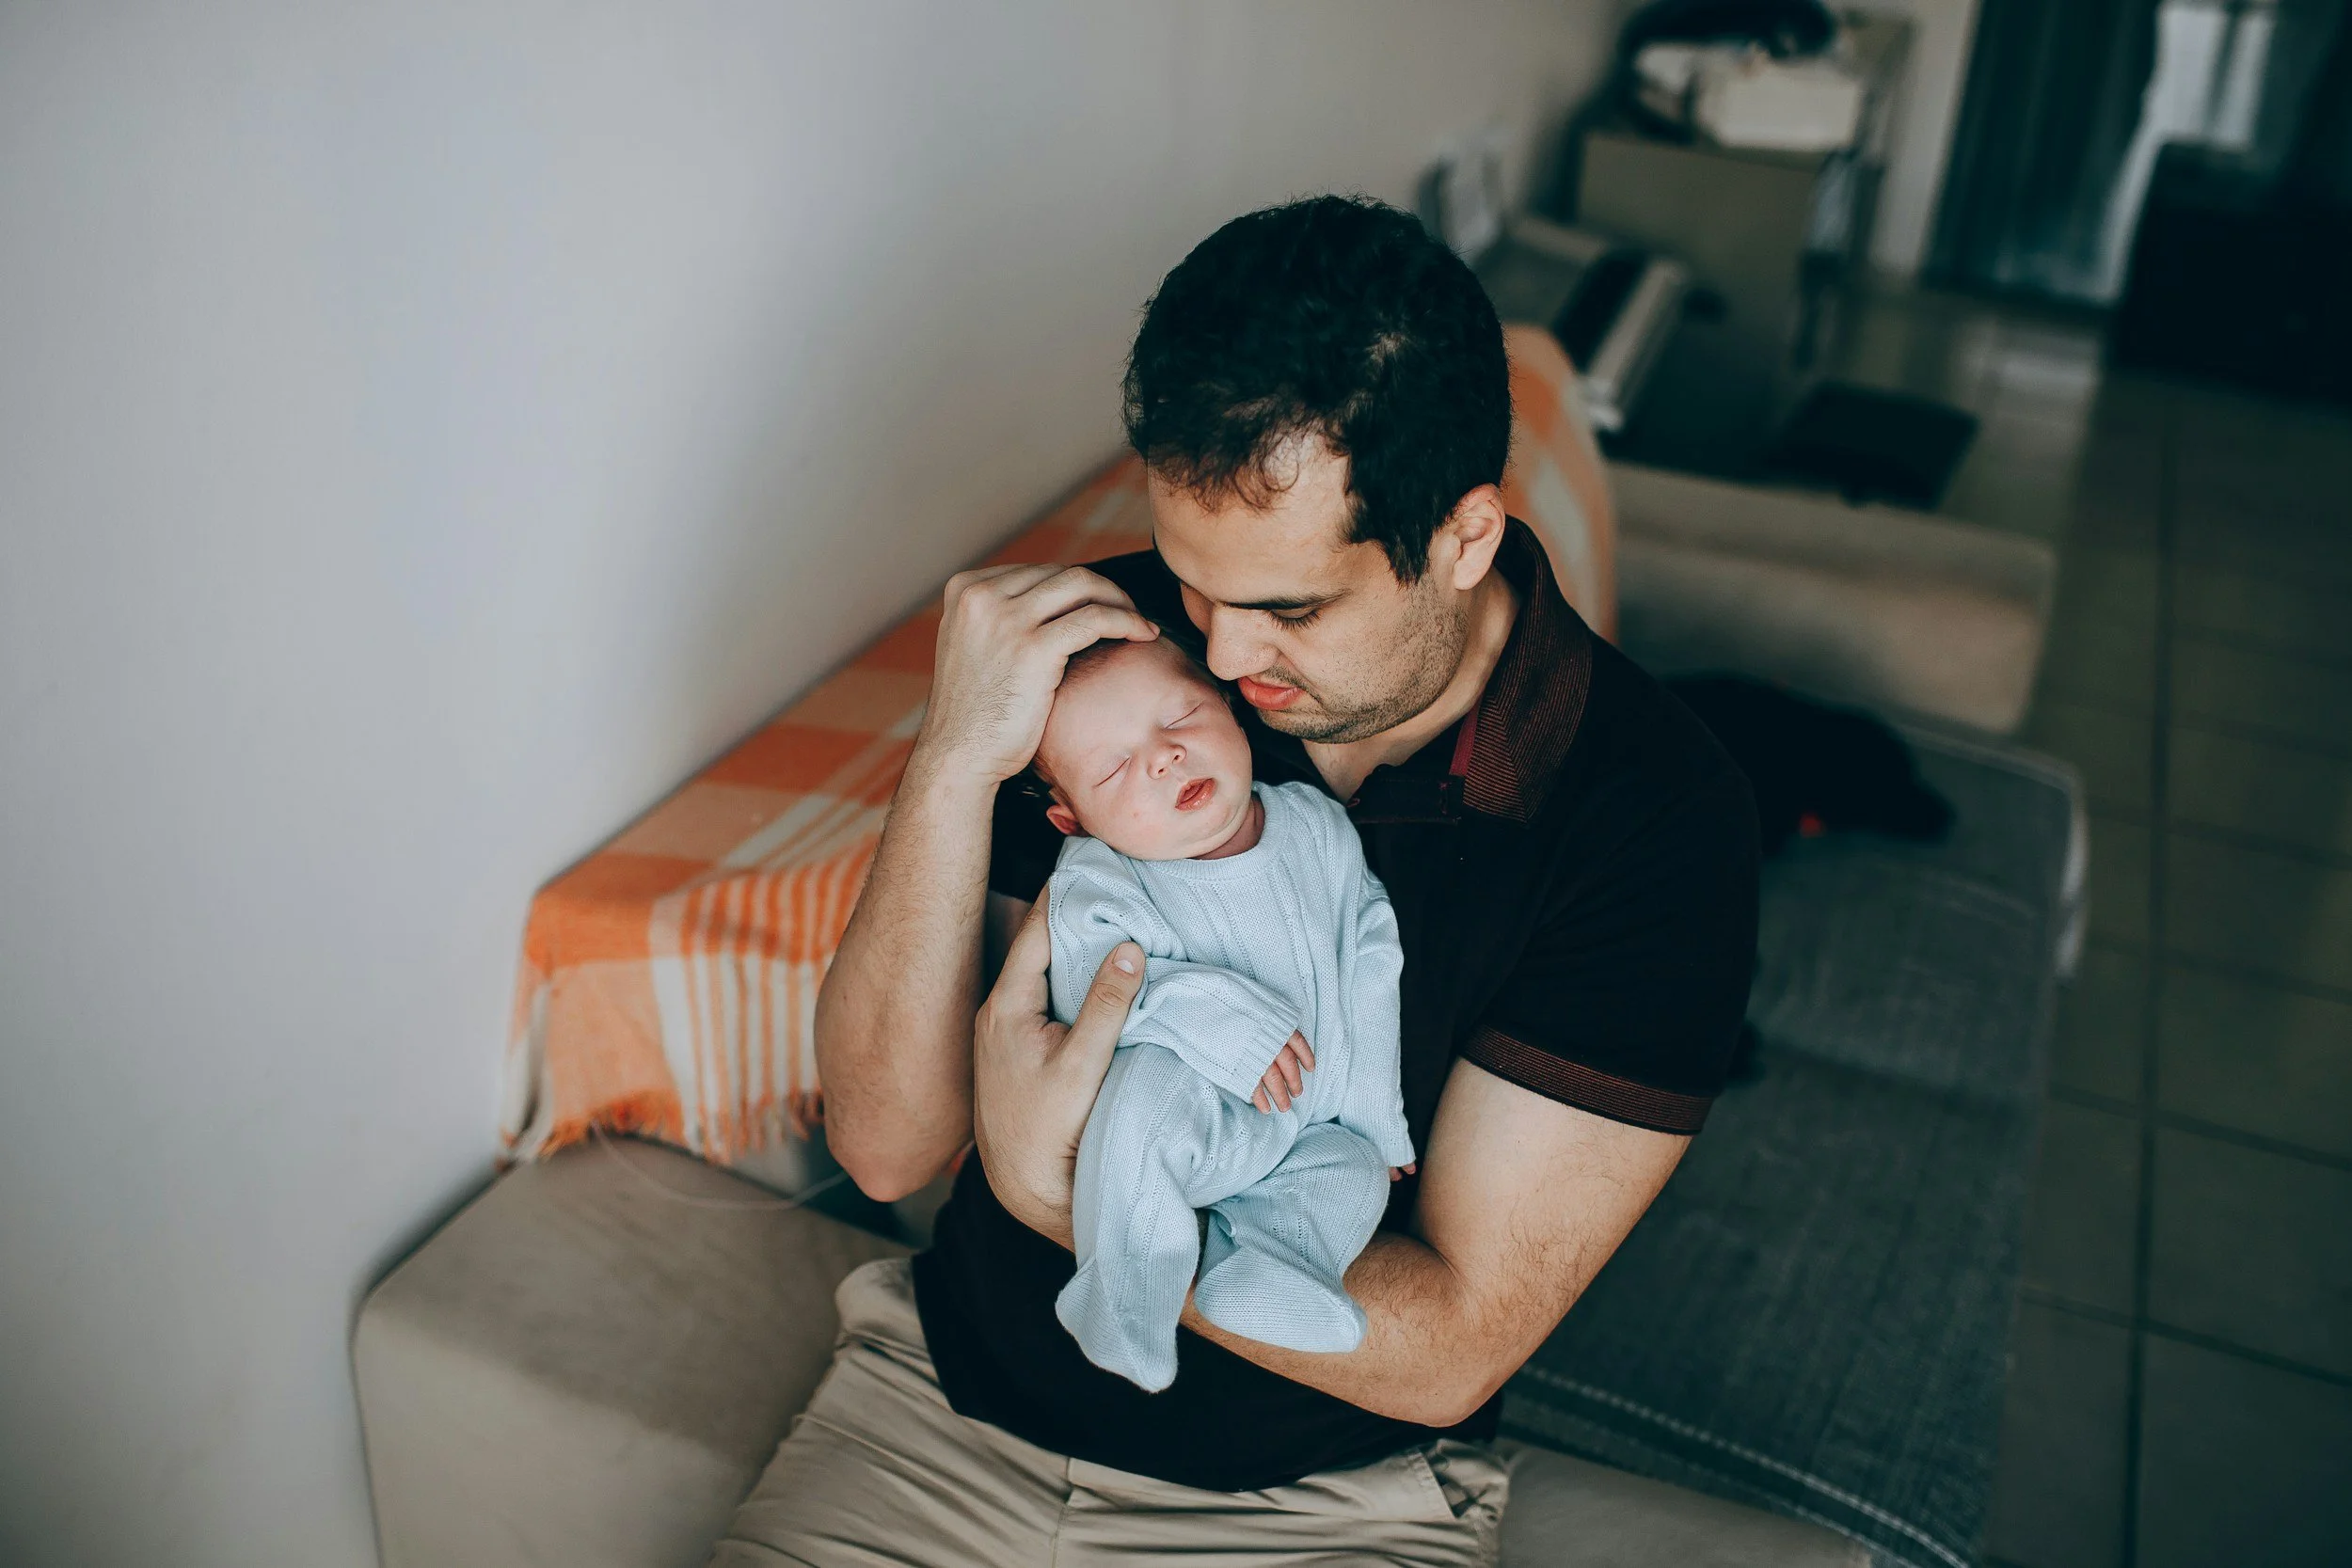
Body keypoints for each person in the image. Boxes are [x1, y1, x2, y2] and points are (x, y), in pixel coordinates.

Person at [715, 195, 1760, 1567]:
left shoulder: (1652, 820)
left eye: (1291, 607)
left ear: (1464, 536)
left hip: (1318, 1506)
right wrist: (955, 758)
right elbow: (887, 1143)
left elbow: (1448, 1345)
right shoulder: (1128, 662)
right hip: (943, 1416)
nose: (1216, 661)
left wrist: (1057, 1193)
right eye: (1199, 587)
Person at [1030, 634, 1415, 1392]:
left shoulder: (1313, 822)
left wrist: (1378, 1114)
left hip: (1313, 1118)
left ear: (1236, 712)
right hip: (1196, 1116)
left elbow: (1373, 953)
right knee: (1142, 1095)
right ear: (1074, 820)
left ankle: (1270, 1268)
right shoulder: (1099, 879)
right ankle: (1123, 1296)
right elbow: (1091, 993)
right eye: (1114, 767)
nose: (1164, 756)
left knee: (1355, 1174)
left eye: (1181, 715)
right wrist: (1225, 1021)